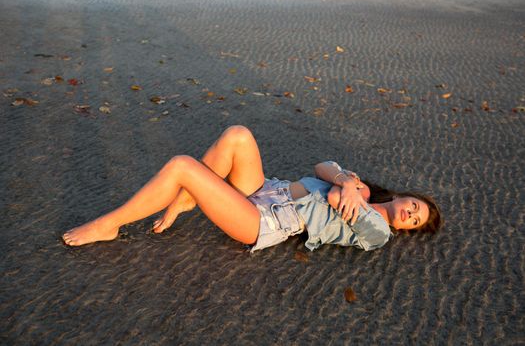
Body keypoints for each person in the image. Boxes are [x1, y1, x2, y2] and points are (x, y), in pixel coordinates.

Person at [63, 125, 442, 252]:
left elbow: (328, 195)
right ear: (402, 196)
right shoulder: (360, 187)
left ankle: (109, 224)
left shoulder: (378, 234)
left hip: (267, 221)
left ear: (406, 228)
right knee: (238, 135)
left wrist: (345, 187)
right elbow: (323, 167)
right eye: (414, 205)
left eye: (414, 220)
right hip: (268, 188)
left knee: (182, 165)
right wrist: (346, 180)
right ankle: (183, 201)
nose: (410, 213)